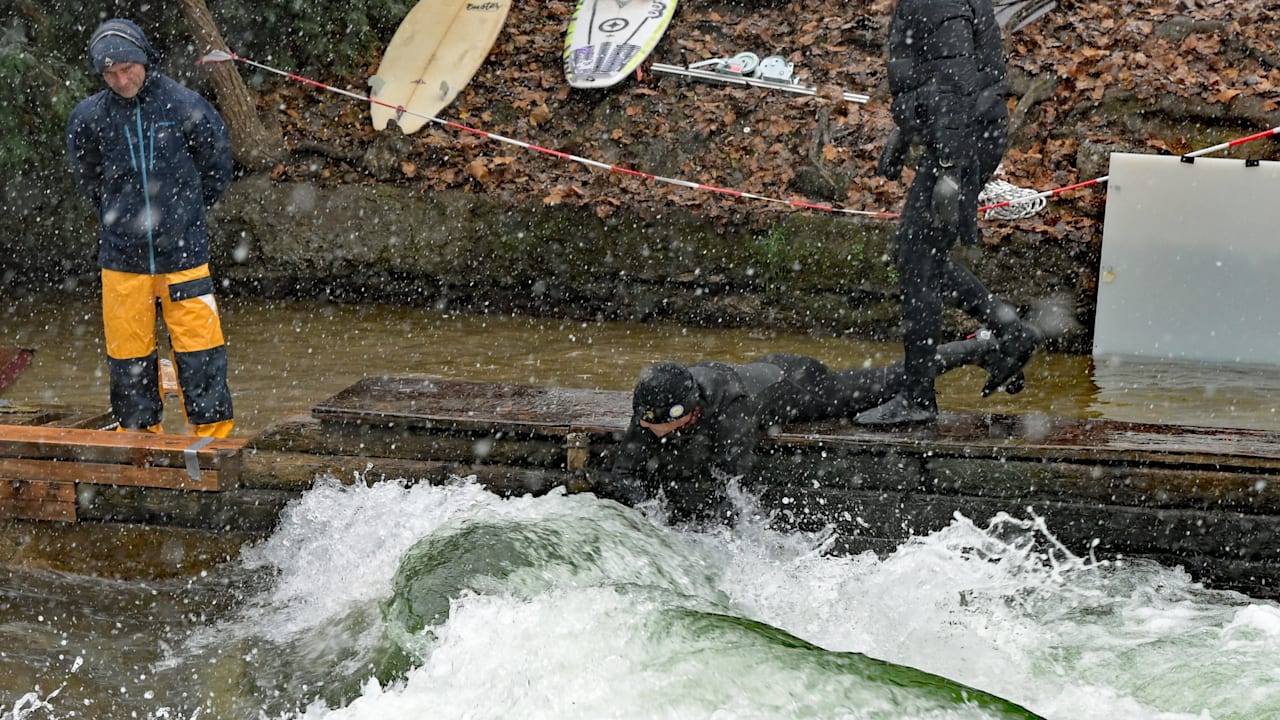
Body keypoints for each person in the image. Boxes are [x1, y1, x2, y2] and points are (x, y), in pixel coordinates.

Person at [859, 0, 1041, 426]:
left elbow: (958, 82)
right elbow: (934, 72)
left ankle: (919, 397)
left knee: (915, 256)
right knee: (920, 254)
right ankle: (1012, 334)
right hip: (965, 135)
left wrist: (949, 168)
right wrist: (905, 134)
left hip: (964, 142)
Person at [604, 336, 1001, 520]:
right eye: (645, 423)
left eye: (657, 426)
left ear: (687, 413)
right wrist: (647, 515)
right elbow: (623, 472)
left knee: (888, 380)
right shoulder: (654, 403)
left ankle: (978, 347)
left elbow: (733, 482)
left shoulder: (731, 409)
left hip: (801, 385)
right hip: (764, 369)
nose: (646, 430)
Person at [66, 19, 236, 437]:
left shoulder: (184, 105)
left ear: (144, 59)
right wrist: (120, 218)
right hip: (122, 259)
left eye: (128, 68)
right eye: (110, 74)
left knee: (202, 350)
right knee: (127, 355)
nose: (122, 80)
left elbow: (217, 166)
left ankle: (212, 442)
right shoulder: (88, 117)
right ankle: (138, 440)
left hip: (185, 255)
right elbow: (87, 178)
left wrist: (185, 215)